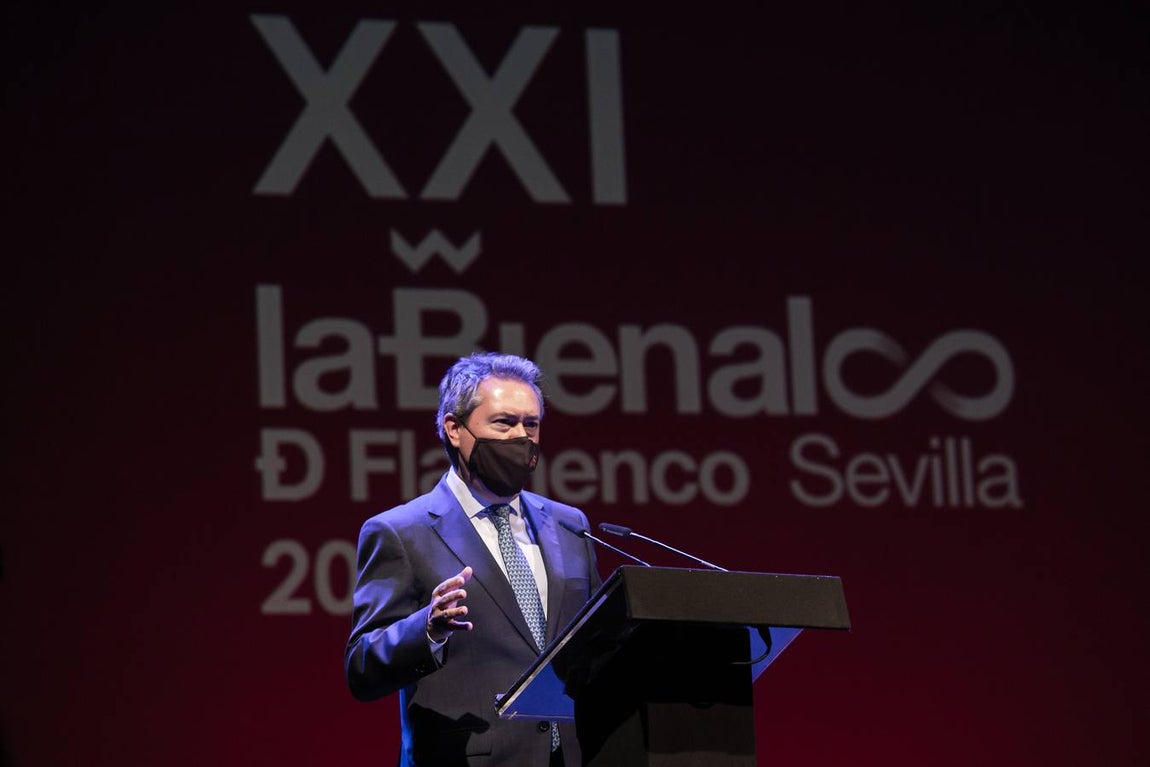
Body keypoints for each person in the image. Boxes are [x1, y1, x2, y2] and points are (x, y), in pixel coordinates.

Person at [345, 352, 600, 767]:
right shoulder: (401, 531)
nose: (521, 438)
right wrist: (426, 630)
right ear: (454, 430)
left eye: (530, 424)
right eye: (503, 423)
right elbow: (362, 666)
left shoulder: (570, 526)